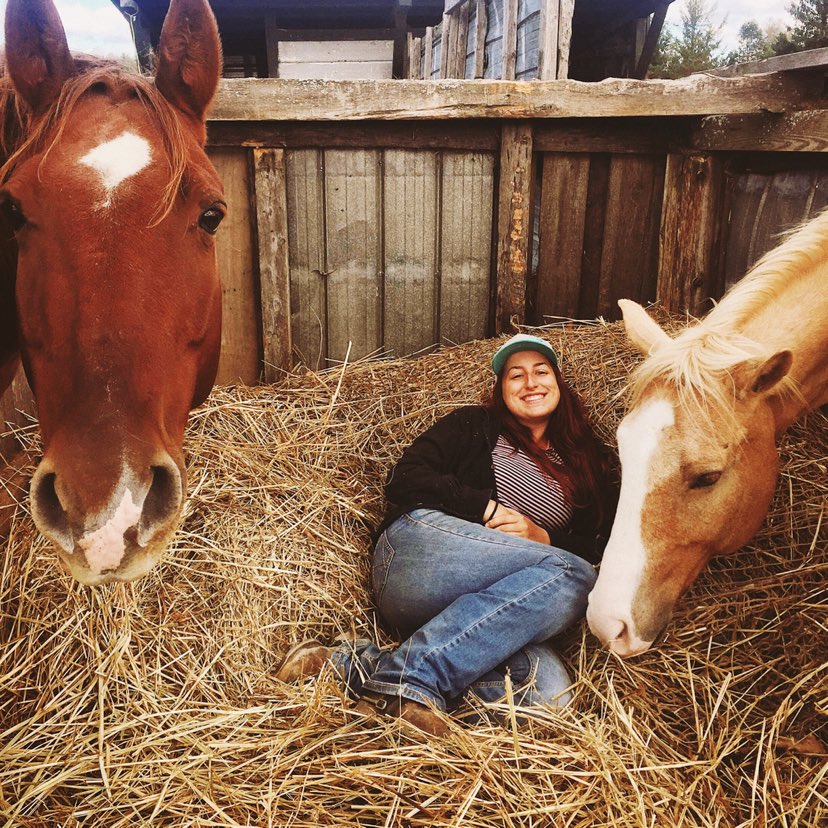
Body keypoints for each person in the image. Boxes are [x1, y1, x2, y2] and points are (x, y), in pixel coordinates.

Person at [276, 333, 617, 735]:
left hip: (498, 604)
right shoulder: (473, 425)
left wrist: (543, 538)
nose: (530, 383)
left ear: (559, 383)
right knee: (575, 576)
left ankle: (354, 667)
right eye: (516, 376)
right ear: (501, 389)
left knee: (549, 696)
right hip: (421, 558)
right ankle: (416, 678)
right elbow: (404, 479)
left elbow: (603, 542)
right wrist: (483, 508)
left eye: (541, 372)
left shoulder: (590, 462)